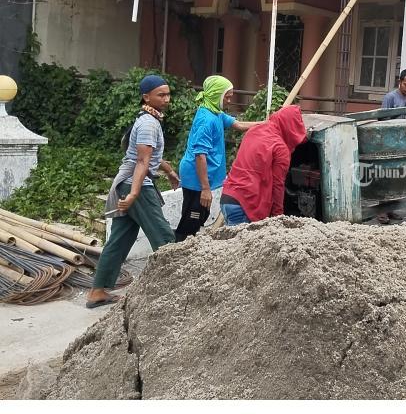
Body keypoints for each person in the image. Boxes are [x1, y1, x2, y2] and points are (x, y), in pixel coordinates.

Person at [86, 75, 179, 308]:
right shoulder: (148, 123)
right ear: (146, 97)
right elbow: (141, 161)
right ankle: (174, 291)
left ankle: (97, 292)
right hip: (136, 186)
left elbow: (149, 157)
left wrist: (169, 170)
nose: (167, 99)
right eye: (161, 95)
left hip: (128, 184)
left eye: (168, 94)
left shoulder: (148, 119)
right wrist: (134, 194)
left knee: (119, 239)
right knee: (165, 238)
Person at [174, 75, 262, 242]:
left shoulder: (216, 112)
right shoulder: (206, 120)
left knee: (201, 215)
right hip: (196, 178)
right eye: (227, 97)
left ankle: (185, 246)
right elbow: (200, 156)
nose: (229, 101)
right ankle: (177, 249)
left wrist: (268, 123)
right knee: (192, 219)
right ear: (216, 95)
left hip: (203, 177)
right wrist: (205, 189)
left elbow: (239, 125)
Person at [220, 105, 308, 225]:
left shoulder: (254, 131)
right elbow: (278, 185)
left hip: (227, 197)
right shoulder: (280, 148)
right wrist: (278, 217)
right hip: (246, 204)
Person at [376, 69, 406, 222]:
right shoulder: (390, 97)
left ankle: (392, 209)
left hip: (404, 143)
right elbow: (381, 120)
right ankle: (381, 210)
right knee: (386, 177)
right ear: (399, 82)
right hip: (389, 143)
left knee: (398, 178)